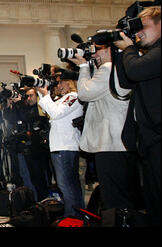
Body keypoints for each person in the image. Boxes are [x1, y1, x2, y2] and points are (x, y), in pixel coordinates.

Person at [69, 41, 142, 212]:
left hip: (109, 143)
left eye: (98, 50)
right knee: (126, 195)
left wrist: (84, 67)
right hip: (122, 142)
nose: (94, 55)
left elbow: (85, 93)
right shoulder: (122, 67)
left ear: (111, 49)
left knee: (114, 198)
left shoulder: (109, 68)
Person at [113, 6, 161, 226]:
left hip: (158, 138)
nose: (138, 31)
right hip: (149, 140)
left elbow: (136, 71)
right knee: (152, 201)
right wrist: (122, 52)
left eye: (143, 25)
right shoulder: (147, 55)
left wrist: (130, 49)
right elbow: (125, 81)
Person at [36, 72, 85, 217]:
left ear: (70, 82)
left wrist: (44, 94)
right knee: (68, 185)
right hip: (60, 146)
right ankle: (76, 215)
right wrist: (41, 92)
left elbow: (56, 113)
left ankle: (72, 216)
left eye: (62, 82)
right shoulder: (63, 98)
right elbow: (47, 110)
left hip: (66, 146)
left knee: (67, 185)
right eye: (58, 83)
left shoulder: (74, 97)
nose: (59, 85)